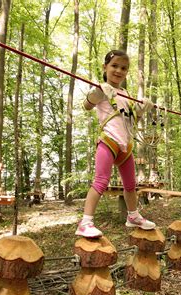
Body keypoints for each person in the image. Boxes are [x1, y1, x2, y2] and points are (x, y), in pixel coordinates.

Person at [75, 50, 156, 238]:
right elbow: (86, 106)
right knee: (101, 181)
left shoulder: (126, 93)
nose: (119, 70)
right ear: (105, 67)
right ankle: (85, 222)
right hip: (109, 142)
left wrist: (141, 109)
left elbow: (130, 118)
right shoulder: (102, 89)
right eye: (114, 66)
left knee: (130, 185)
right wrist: (95, 95)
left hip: (126, 146)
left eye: (123, 68)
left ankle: (133, 216)